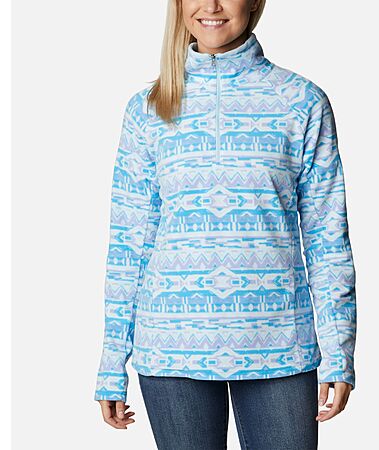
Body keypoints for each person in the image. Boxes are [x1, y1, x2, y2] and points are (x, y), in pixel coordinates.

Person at [94, 0, 357, 448]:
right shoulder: (148, 109)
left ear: (254, 1)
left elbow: (327, 237)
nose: (211, 6)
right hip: (172, 349)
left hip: (280, 347)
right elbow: (129, 244)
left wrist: (339, 352)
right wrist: (111, 361)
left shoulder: (300, 101)